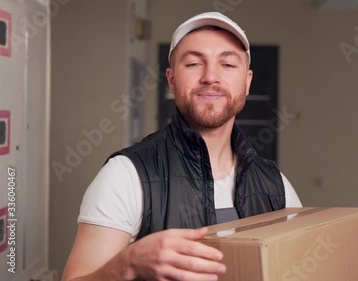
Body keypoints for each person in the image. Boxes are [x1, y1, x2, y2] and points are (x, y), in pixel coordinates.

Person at [62, 11, 302, 281]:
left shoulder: (277, 185)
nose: (210, 77)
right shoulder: (125, 175)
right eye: (193, 64)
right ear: (172, 80)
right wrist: (128, 264)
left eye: (227, 65)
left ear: (247, 83)